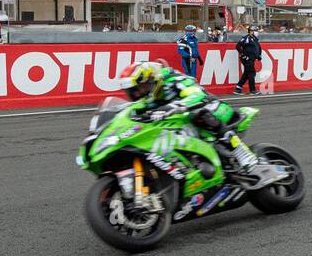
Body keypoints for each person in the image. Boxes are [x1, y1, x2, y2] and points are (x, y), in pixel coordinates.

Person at [117, 61, 284, 189]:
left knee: (200, 115)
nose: (137, 94)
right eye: (133, 92)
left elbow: (196, 95)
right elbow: (132, 111)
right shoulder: (147, 99)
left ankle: (246, 158)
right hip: (182, 123)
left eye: (139, 88)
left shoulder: (173, 79)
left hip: (214, 109)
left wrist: (173, 107)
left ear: (151, 79)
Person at [234, 24, 262, 95]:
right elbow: (238, 46)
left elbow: (257, 47)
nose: (257, 32)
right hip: (247, 58)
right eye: (255, 31)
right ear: (251, 31)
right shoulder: (246, 38)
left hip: (252, 58)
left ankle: (238, 88)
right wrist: (242, 54)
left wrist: (258, 55)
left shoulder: (255, 38)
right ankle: (252, 90)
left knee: (247, 73)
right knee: (252, 73)